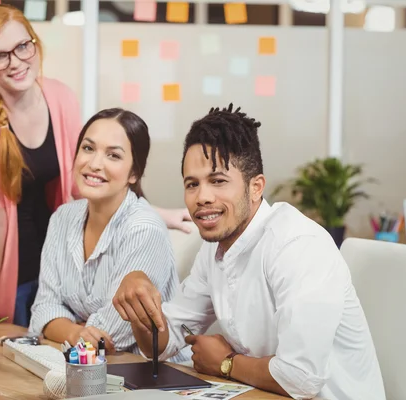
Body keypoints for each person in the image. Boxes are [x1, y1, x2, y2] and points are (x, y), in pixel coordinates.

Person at [112, 105, 385, 399]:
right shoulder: (215, 249)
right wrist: (138, 299)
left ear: (256, 187)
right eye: (192, 184)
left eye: (218, 181)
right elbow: (164, 343)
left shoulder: (297, 244)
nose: (202, 197)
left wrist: (226, 364)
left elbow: (302, 378)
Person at [0, 4, 191, 328]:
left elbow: (84, 181)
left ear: (34, 42)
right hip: (5, 271)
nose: (17, 62)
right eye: (0, 55)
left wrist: (156, 213)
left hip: (57, 262)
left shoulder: (59, 96)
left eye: (23, 46)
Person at [28, 108, 190, 363]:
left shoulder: (144, 229)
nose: (94, 164)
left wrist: (69, 327)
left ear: (134, 173)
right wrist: (76, 331)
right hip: (88, 368)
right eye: (88, 148)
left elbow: (112, 336)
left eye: (113, 155)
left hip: (156, 378)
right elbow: (42, 310)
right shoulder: (62, 218)